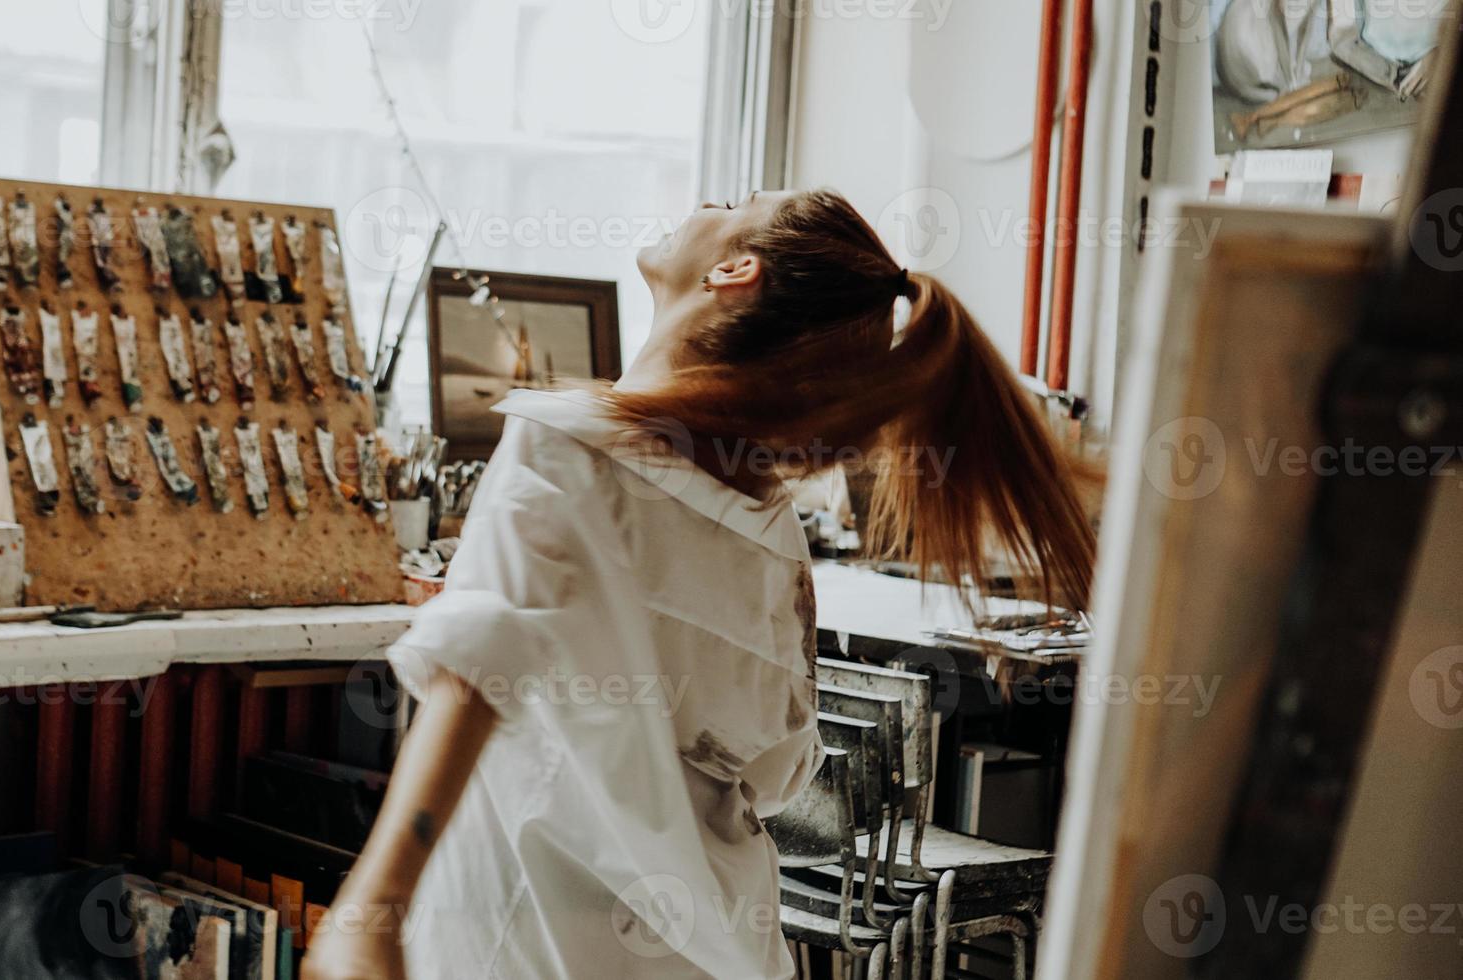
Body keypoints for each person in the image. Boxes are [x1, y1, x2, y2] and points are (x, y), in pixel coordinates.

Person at [302, 189, 1095, 979]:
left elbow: (473, 679)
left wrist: (370, 911)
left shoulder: (563, 448)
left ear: (735, 270)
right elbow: (779, 770)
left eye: (738, 202)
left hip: (534, 939)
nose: (709, 199)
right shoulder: (770, 519)